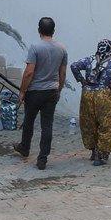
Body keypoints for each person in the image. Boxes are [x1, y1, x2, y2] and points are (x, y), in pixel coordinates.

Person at [16, 17, 67, 169]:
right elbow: (62, 73)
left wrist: (22, 91)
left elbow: (28, 73)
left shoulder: (35, 47)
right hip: (51, 90)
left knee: (29, 121)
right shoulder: (62, 48)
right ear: (53, 30)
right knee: (47, 125)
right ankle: (42, 158)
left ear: (39, 30)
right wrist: (59, 88)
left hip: (35, 91)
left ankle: (25, 147)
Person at [70, 39, 111, 166]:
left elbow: (74, 66)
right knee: (106, 124)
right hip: (104, 96)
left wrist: (82, 80)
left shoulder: (90, 60)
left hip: (87, 94)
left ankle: (94, 151)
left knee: (90, 123)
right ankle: (102, 155)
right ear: (110, 50)